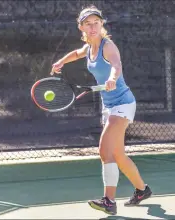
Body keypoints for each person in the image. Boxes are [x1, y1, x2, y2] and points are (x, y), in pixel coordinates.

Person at [50, 5, 152, 215]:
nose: (93, 26)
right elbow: (77, 53)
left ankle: (109, 201)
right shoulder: (89, 48)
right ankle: (142, 190)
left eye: (96, 22)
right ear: (82, 28)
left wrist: (113, 78)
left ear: (101, 24)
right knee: (118, 155)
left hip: (123, 103)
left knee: (105, 150)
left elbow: (116, 64)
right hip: (109, 106)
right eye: (88, 23)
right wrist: (61, 61)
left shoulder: (108, 45)